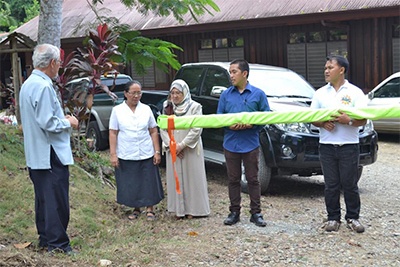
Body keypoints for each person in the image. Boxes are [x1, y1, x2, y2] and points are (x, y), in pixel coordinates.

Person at [19, 44, 79, 254]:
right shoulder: (44, 86)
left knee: (44, 199)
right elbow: (48, 122)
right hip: (49, 151)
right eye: (59, 63)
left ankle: (46, 239)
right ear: (52, 63)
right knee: (56, 199)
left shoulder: (28, 84)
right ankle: (59, 244)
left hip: (36, 152)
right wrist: (69, 122)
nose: (59, 67)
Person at [311, 55, 367, 233]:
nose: (326, 71)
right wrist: (322, 123)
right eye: (325, 68)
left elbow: (363, 119)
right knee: (331, 185)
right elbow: (311, 118)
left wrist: (348, 120)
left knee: (350, 184)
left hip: (349, 146)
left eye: (330, 67)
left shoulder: (355, 92)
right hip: (327, 146)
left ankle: (353, 217)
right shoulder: (320, 93)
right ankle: (333, 218)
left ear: (341, 70)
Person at [217, 59, 270, 227]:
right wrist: (229, 125)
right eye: (230, 72)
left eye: (234, 72)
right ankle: (234, 212)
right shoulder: (226, 94)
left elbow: (267, 116)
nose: (230, 75)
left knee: (253, 179)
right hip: (231, 143)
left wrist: (251, 125)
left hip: (251, 143)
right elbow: (219, 117)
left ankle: (256, 213)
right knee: (233, 179)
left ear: (244, 73)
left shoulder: (258, 94)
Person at [109, 80, 164, 221]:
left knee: (148, 180)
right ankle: (136, 208)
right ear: (125, 94)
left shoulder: (146, 109)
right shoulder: (117, 111)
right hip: (127, 151)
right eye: (133, 93)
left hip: (146, 150)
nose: (136, 96)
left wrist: (157, 151)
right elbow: (113, 133)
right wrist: (113, 154)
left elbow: (153, 130)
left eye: (139, 92)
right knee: (132, 181)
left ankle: (150, 209)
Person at [160, 79, 210, 219]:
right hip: (173, 148)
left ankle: (194, 210)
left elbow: (197, 128)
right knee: (175, 179)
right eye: (172, 93)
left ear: (185, 93)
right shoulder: (167, 106)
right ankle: (178, 210)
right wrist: (173, 146)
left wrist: (182, 145)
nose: (175, 96)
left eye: (178, 93)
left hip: (190, 148)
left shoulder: (195, 107)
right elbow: (162, 128)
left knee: (192, 179)